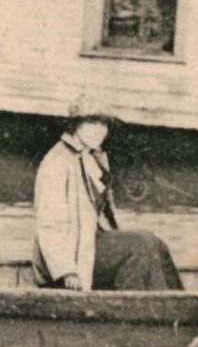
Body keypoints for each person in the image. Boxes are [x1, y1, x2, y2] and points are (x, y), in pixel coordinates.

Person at [32, 104, 183, 291]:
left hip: (89, 243)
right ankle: (142, 308)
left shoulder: (89, 157)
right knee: (139, 245)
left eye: (104, 124)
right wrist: (67, 270)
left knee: (155, 243)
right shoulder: (56, 162)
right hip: (70, 257)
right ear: (75, 125)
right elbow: (48, 224)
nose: (100, 131)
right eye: (92, 122)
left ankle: (174, 302)